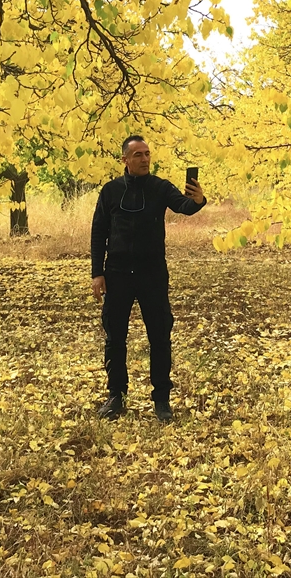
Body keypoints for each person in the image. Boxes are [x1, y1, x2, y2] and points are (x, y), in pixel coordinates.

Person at [91, 135, 206, 422]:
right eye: (138, 155)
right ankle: (116, 396)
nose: (144, 159)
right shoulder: (110, 191)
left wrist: (198, 199)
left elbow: (185, 207)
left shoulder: (160, 187)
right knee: (115, 337)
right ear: (125, 160)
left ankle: (162, 400)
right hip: (117, 273)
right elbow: (98, 233)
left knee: (160, 336)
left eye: (147, 154)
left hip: (152, 273)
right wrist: (97, 273)